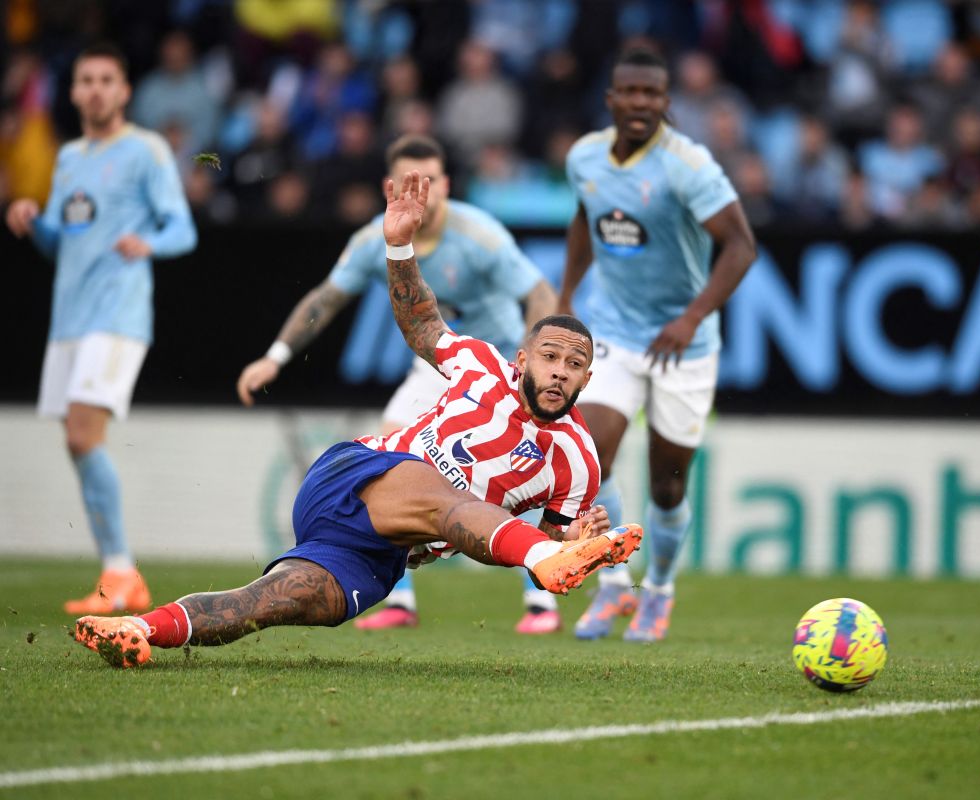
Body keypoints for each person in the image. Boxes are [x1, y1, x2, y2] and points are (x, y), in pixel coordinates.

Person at [72, 171, 642, 668]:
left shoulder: (578, 460)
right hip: (359, 473)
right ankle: (544, 562)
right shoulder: (481, 365)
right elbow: (422, 323)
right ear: (522, 359)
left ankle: (138, 630)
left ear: (588, 380)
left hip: (381, 549)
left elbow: (539, 533)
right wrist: (398, 248)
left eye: (575, 364)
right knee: (449, 498)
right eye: (550, 357)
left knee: (269, 603)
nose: (561, 371)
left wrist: (568, 538)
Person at [236, 134, 562, 633]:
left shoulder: (480, 236)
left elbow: (540, 293)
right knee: (391, 453)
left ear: (447, 183)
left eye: (432, 180)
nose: (424, 192)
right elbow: (327, 298)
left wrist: (529, 372)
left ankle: (542, 603)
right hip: (435, 367)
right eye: (412, 180)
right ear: (392, 186)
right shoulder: (375, 238)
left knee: (523, 477)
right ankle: (399, 599)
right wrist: (275, 356)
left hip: (495, 366)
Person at [558, 47, 756, 642]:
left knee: (667, 484)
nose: (641, 103)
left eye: (653, 94)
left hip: (682, 345)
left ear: (667, 103)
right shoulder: (584, 156)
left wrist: (692, 318)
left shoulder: (687, 165)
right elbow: (584, 219)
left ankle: (659, 590)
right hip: (615, 331)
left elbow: (741, 245)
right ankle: (615, 587)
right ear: (612, 99)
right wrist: (567, 294)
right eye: (631, 93)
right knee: (588, 457)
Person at [5, 43, 197, 615]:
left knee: (83, 434)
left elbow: (183, 229)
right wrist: (33, 223)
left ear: (124, 90)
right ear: (73, 92)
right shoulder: (69, 159)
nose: (95, 89)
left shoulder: (146, 150)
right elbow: (64, 246)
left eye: (106, 79)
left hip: (117, 315)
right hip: (70, 318)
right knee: (78, 441)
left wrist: (149, 242)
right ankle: (116, 571)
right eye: (85, 79)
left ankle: (120, 572)